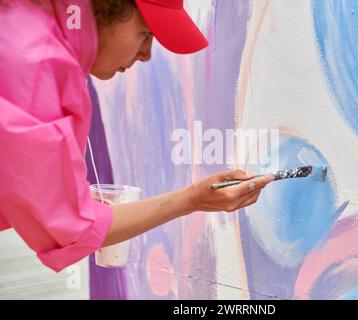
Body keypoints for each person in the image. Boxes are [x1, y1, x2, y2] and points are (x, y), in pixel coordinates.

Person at [0, 0, 274, 272]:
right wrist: (192, 199)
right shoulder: (36, 69)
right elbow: (73, 228)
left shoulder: (27, 27)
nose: (147, 54)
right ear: (105, 7)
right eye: (146, 33)